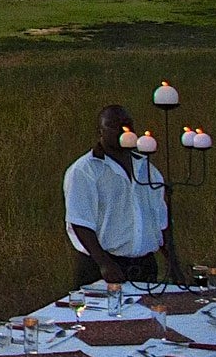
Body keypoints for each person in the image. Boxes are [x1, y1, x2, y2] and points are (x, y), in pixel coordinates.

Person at [65, 103, 184, 289]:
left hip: (144, 267)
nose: (123, 130)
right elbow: (80, 222)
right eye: (114, 126)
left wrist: (173, 264)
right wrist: (104, 263)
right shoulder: (85, 170)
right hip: (103, 266)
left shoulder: (147, 169)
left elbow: (161, 221)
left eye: (127, 124)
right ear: (100, 131)